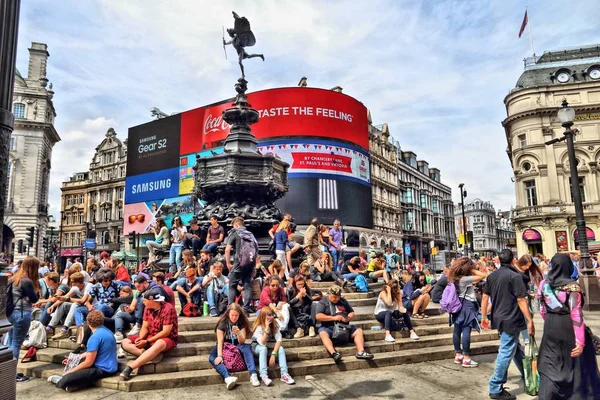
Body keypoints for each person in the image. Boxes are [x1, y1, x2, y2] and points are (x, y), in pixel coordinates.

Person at [536, 253, 600, 399]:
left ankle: (549, 394)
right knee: (575, 363)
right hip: (568, 327)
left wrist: (550, 321)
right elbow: (576, 314)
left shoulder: (544, 284)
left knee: (551, 360)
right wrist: (580, 341)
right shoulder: (572, 287)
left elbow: (541, 308)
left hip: (551, 326)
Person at [481, 249, 534, 400]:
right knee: (506, 351)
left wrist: (484, 316)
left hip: (499, 317)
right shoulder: (515, 276)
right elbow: (521, 300)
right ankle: (495, 387)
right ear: (513, 261)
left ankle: (527, 373)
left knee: (515, 348)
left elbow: (485, 298)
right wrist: (529, 320)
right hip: (513, 318)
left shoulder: (492, 276)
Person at [46, 310, 118, 392]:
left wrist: (70, 372)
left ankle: (61, 381)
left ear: (88, 322)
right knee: (78, 368)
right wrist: (76, 358)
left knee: (66, 378)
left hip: (102, 369)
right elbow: (91, 352)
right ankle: (77, 385)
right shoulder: (107, 331)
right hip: (111, 367)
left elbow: (88, 362)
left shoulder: (94, 338)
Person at [120, 287, 179, 380]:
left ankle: (130, 368)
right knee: (124, 342)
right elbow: (145, 326)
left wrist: (147, 342)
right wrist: (141, 338)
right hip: (150, 334)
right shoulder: (147, 308)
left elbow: (165, 332)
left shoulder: (169, 309)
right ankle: (150, 355)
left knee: (159, 343)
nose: (143, 302)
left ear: (153, 301)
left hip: (166, 338)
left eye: (145, 300)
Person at [316, 285, 374, 362]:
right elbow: (318, 316)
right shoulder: (323, 302)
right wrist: (333, 318)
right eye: (334, 297)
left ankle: (361, 351)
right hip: (329, 327)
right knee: (323, 333)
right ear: (329, 294)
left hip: (344, 326)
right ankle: (334, 353)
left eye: (338, 297)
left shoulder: (343, 301)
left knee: (358, 331)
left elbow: (352, 312)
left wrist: (348, 318)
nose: (336, 299)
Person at [208, 303, 259, 389]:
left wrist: (239, 333)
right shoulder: (222, 323)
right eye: (232, 315)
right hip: (225, 345)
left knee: (247, 349)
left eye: (236, 315)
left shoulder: (241, 322)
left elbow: (242, 341)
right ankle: (227, 377)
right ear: (228, 314)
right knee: (212, 357)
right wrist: (220, 356)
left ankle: (253, 374)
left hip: (238, 344)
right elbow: (220, 341)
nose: (234, 317)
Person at [447, 257, 487, 368]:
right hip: (467, 306)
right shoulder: (465, 279)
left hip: (457, 306)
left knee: (456, 330)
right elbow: (484, 276)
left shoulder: (454, 278)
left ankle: (458, 354)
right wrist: (473, 270)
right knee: (466, 331)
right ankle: (466, 358)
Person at [7, 256, 40, 361]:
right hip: (22, 313)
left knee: (10, 343)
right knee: (16, 344)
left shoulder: (13, 279)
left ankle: (6, 373)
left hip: (10, 313)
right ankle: (13, 375)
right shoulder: (27, 281)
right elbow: (34, 299)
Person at [252, 307, 296, 386]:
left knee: (281, 348)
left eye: (272, 315)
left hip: (269, 347)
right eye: (268, 315)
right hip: (257, 348)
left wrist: (274, 354)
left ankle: (284, 374)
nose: (271, 317)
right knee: (263, 349)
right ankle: (263, 375)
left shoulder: (275, 325)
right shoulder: (259, 327)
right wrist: (266, 329)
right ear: (263, 316)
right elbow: (262, 343)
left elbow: (279, 340)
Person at [224, 216, 258, 314]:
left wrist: (228, 263)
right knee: (247, 286)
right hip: (250, 263)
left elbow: (227, 249)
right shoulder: (250, 234)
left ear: (236, 225)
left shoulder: (235, 233)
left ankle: (230, 309)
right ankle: (246, 309)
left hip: (239, 263)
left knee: (232, 286)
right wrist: (254, 266)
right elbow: (256, 250)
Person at [48, 272, 93, 340]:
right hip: (81, 307)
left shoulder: (88, 286)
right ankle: (50, 326)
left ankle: (65, 329)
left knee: (75, 304)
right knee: (64, 304)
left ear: (78, 282)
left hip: (89, 308)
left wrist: (68, 299)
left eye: (72, 281)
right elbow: (64, 298)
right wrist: (53, 306)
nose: (70, 283)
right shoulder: (75, 288)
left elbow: (82, 301)